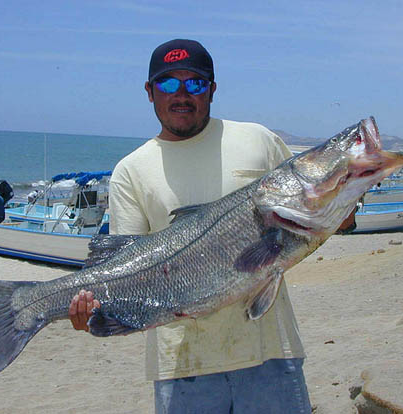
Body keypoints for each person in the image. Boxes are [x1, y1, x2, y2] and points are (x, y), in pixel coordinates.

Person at [68, 39, 320, 413]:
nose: (182, 94)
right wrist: (91, 309)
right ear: (150, 92)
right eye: (169, 84)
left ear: (213, 90)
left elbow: (311, 215)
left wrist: (348, 203)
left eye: (195, 83)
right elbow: (123, 266)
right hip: (182, 370)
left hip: (271, 355)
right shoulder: (130, 171)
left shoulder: (259, 140)